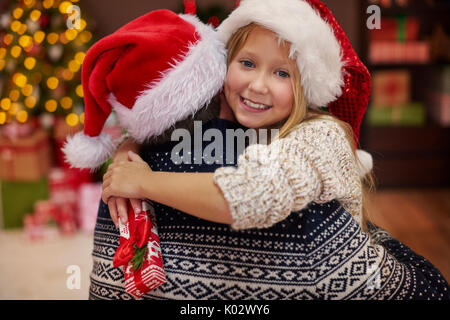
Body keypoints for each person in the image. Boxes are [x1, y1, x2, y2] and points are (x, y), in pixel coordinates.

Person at [98, 1, 450, 299]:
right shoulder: (226, 115)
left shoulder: (322, 135)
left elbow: (251, 195)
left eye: (282, 73)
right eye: (247, 63)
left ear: (306, 87)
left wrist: (143, 182)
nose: (257, 85)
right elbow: (157, 125)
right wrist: (130, 147)